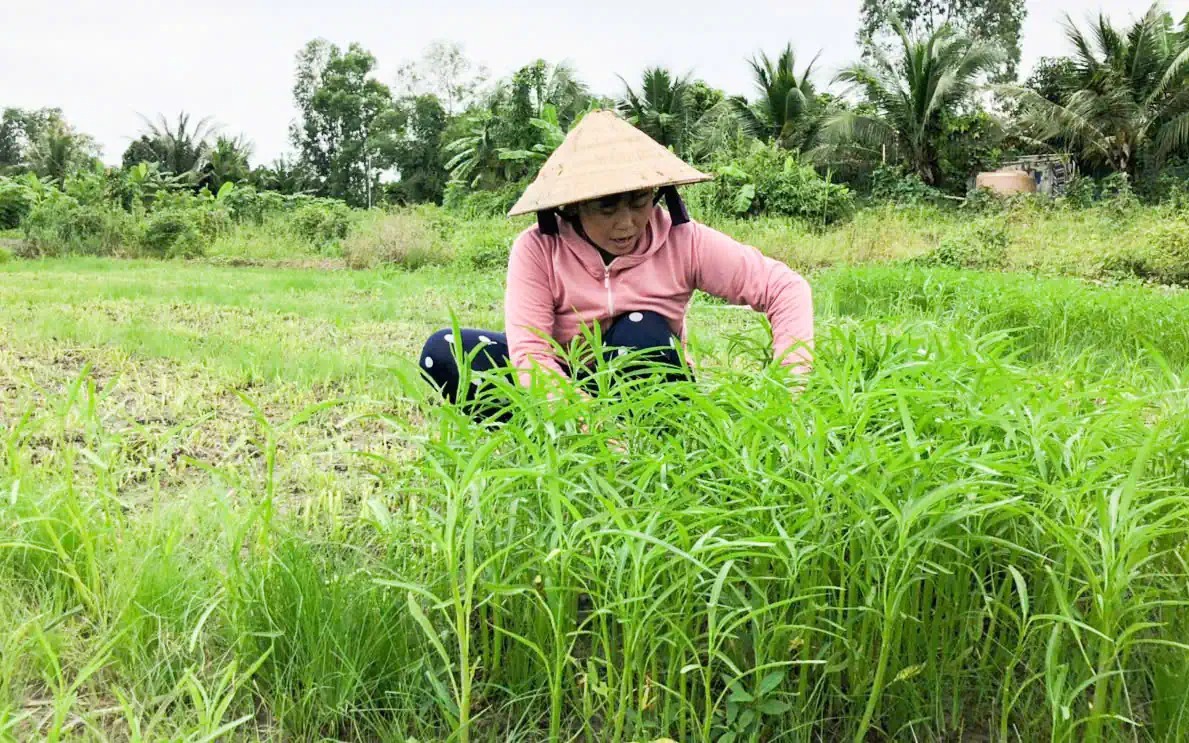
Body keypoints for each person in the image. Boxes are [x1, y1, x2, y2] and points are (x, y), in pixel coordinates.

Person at [419, 110, 813, 416]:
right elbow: (533, 354)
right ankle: (554, 446)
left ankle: (654, 445)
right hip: (561, 381)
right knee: (446, 350)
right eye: (606, 207)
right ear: (571, 207)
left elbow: (785, 288)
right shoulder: (537, 250)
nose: (626, 223)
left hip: (645, 380)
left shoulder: (684, 241)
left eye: (639, 201)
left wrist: (790, 385)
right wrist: (584, 421)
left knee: (640, 331)